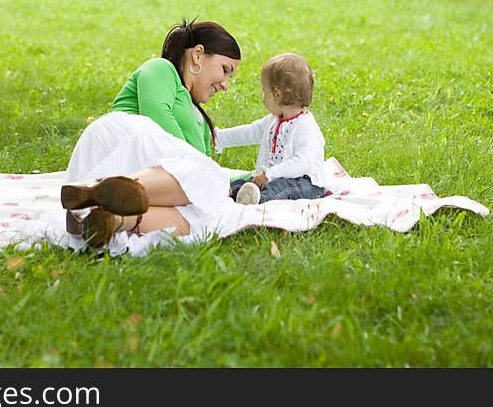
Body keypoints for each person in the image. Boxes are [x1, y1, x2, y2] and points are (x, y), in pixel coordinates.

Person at [61, 19, 241, 248]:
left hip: (148, 169)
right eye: (225, 70)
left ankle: (106, 218)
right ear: (197, 54)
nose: (225, 84)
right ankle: (99, 189)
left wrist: (239, 182)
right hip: (122, 141)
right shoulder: (161, 69)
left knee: (197, 219)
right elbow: (156, 115)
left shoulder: (201, 123)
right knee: (209, 180)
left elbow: (202, 170)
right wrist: (214, 178)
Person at [215, 53, 326, 205]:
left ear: (277, 94)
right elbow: (249, 132)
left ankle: (256, 202)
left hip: (305, 183)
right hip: (272, 178)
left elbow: (302, 162)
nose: (263, 97)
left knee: (279, 189)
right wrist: (219, 137)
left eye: (264, 92)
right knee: (242, 183)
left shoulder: (305, 125)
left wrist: (269, 174)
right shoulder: (273, 121)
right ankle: (227, 194)